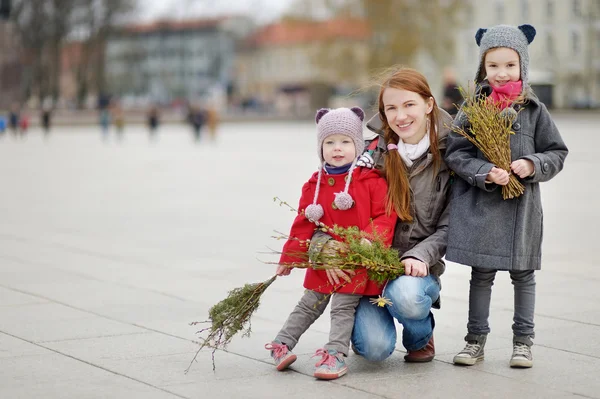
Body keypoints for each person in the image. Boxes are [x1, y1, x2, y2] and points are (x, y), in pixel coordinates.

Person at [444, 24, 568, 368]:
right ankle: (475, 340)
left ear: (522, 66)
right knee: (481, 274)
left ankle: (523, 341)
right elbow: (456, 154)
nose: (501, 73)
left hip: (521, 208)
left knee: (523, 274)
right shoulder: (473, 108)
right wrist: (484, 172)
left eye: (510, 65)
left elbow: (556, 152)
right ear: (482, 67)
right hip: (483, 207)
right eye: (493, 65)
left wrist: (532, 163)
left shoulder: (534, 109)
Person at [311, 67, 453, 363]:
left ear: (429, 105)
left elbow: (452, 225)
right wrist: (324, 247)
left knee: (406, 299)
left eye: (409, 105)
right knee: (374, 348)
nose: (401, 116)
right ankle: (376, 321)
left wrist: (421, 256)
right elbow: (320, 208)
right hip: (367, 273)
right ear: (383, 113)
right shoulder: (367, 155)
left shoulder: (451, 156)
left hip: (415, 268)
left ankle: (421, 335)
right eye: (392, 108)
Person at [266, 107, 397, 380]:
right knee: (308, 304)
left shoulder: (371, 181)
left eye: (345, 142)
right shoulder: (314, 185)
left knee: (342, 307)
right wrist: (289, 258)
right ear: (320, 147)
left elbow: (384, 215)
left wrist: (368, 240)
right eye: (330, 142)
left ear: (358, 145)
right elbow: (304, 223)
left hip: (354, 261)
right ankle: (282, 343)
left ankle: (335, 353)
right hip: (325, 261)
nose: (337, 148)